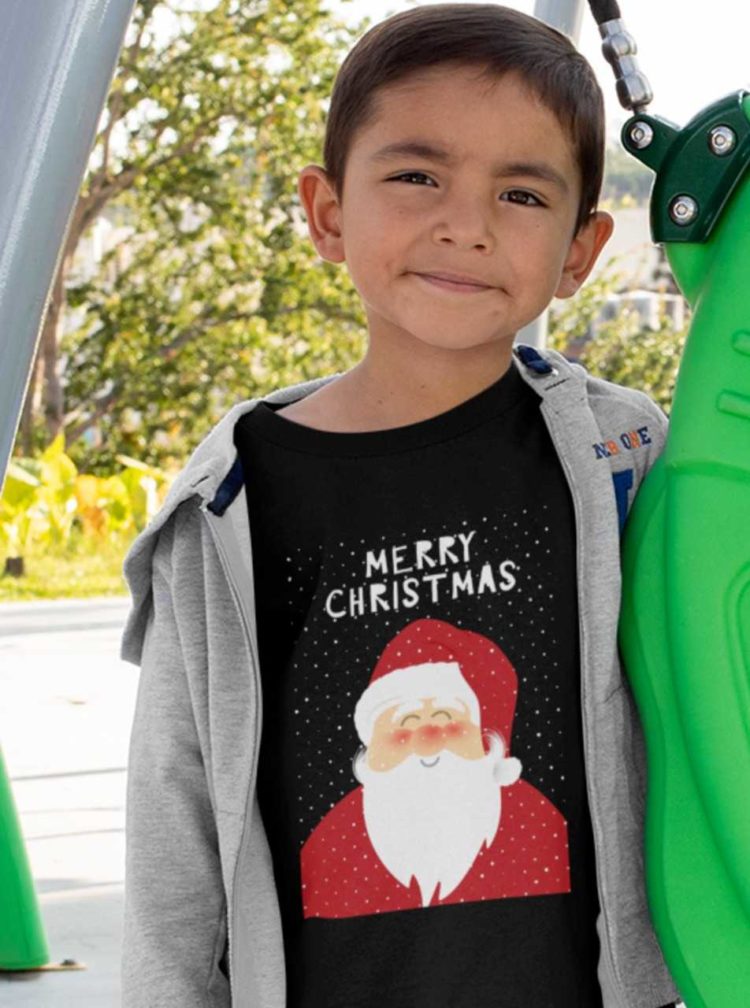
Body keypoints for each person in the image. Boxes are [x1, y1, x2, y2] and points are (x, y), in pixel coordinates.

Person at [119, 5, 682, 1007]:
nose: (464, 225)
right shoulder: (229, 505)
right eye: (417, 176)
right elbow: (175, 820)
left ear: (580, 249)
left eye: (519, 192)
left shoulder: (626, 456)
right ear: (328, 213)